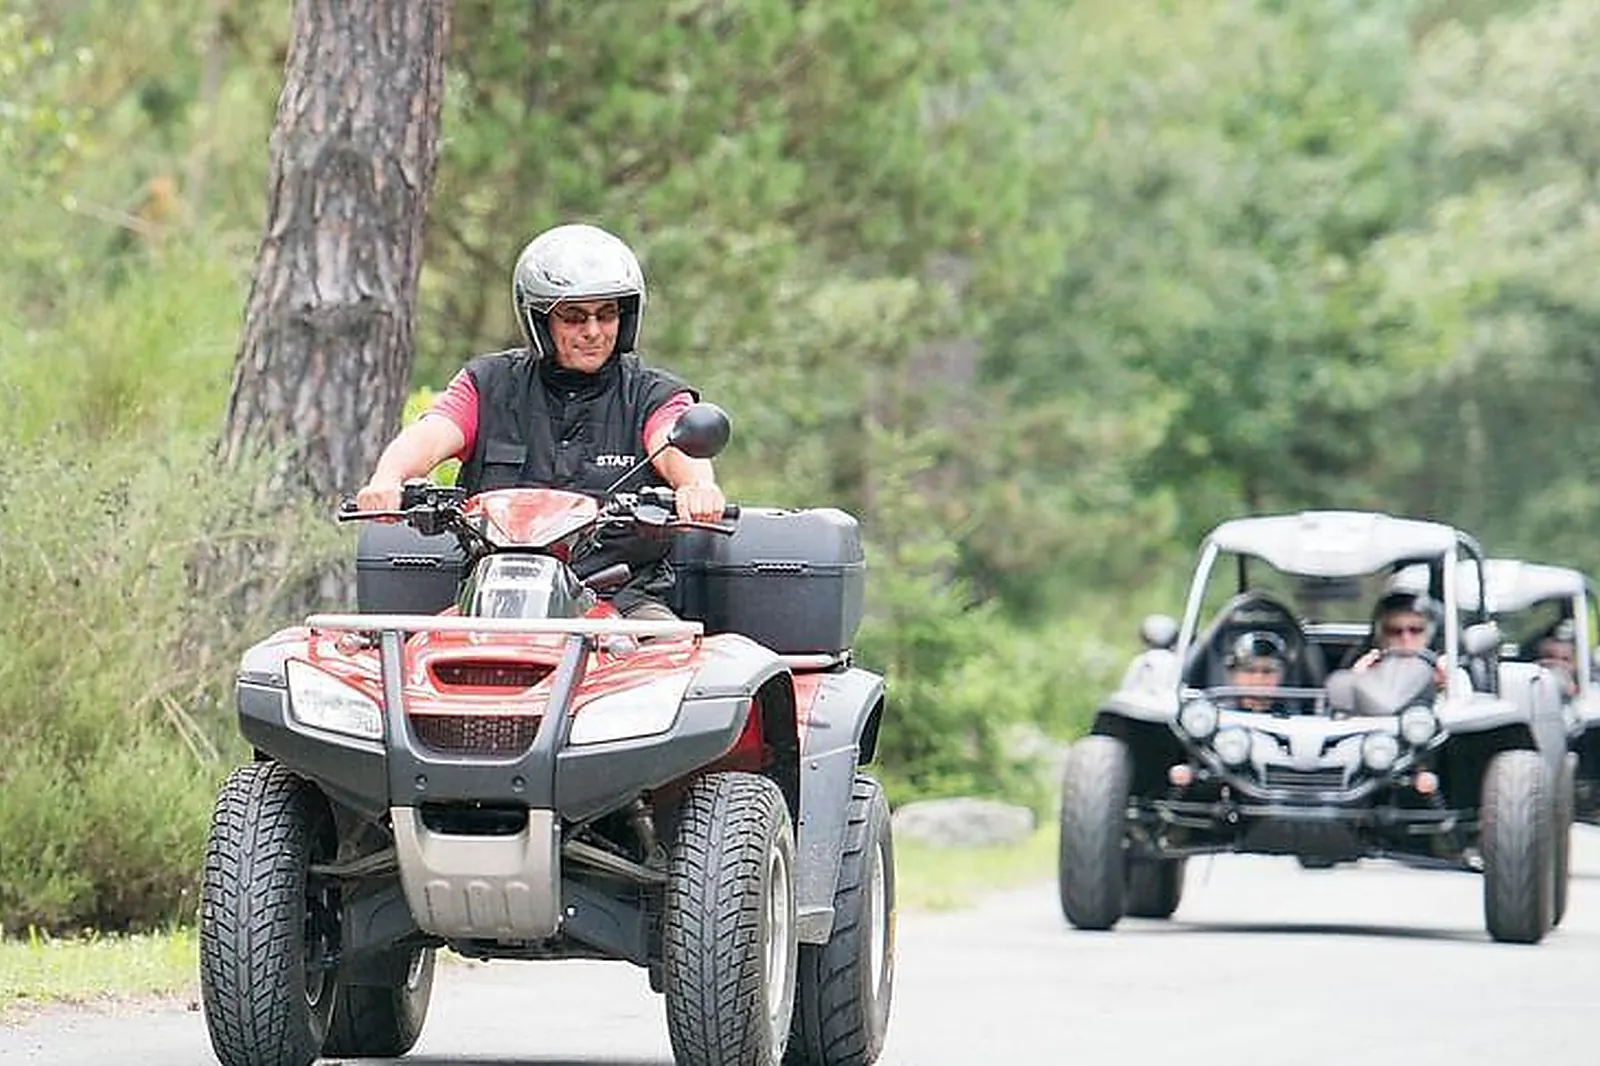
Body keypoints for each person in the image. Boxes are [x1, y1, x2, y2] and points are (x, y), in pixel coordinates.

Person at [355, 223, 725, 619]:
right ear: (538, 320)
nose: (594, 331)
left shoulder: (652, 394)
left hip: (620, 599)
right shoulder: (489, 384)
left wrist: (697, 487)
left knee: (665, 663)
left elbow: (674, 442)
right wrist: (388, 480)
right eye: (574, 317)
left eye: (607, 315)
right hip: (495, 599)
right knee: (413, 659)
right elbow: (431, 434)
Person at [1353, 590, 1448, 686]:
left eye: (1415, 630)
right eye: (1394, 631)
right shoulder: (1362, 671)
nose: (1405, 638)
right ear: (1381, 636)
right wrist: (1358, 682)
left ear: (1429, 634)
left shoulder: (1447, 673)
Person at [1223, 631, 1289, 712]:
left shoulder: (1299, 719)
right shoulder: (1214, 717)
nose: (1258, 681)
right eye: (1249, 670)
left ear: (1282, 676)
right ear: (1233, 675)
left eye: (1268, 671)